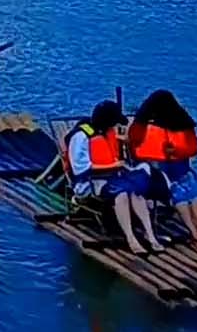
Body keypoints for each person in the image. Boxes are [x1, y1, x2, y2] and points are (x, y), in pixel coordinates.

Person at [63, 100, 165, 254]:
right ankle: (130, 238)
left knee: (137, 191)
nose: (114, 127)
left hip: (115, 176)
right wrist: (114, 166)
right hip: (91, 181)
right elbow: (81, 169)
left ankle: (150, 235)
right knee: (122, 193)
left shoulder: (108, 133)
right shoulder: (80, 137)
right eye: (113, 123)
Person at [131, 89, 197, 244]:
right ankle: (195, 231)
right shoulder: (144, 124)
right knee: (179, 194)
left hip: (179, 166)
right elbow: (136, 146)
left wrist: (176, 150)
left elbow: (193, 147)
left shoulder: (182, 123)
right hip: (157, 170)